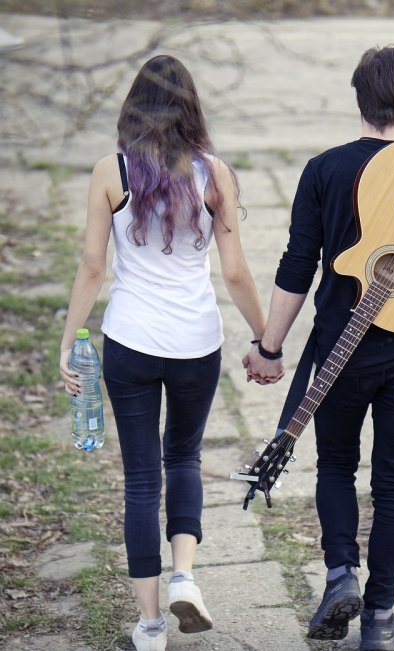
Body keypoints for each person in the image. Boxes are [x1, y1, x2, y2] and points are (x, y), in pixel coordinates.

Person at [243, 45, 394, 651]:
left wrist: (269, 346)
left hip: (339, 355)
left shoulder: (324, 170)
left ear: (358, 99)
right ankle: (378, 619)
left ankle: (339, 572)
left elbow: (298, 265)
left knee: (336, 467)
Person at [59, 55, 266, 651]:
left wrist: (71, 342)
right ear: (191, 110)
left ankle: (151, 625)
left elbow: (94, 267)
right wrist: (265, 339)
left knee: (142, 479)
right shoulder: (213, 174)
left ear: (133, 108)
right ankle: (184, 575)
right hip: (196, 342)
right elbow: (234, 272)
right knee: (184, 459)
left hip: (130, 341)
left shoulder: (111, 171)